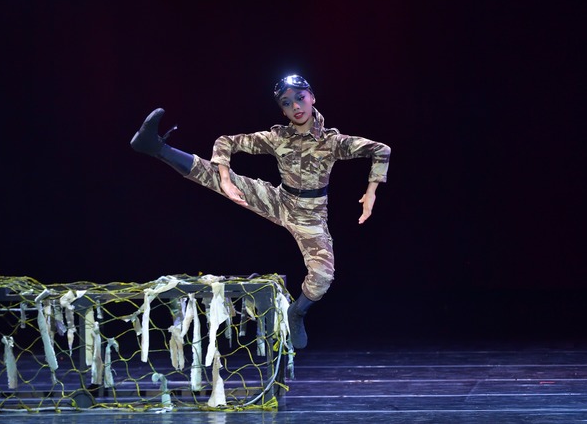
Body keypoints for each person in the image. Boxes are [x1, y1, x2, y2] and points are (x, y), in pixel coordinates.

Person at [130, 74, 391, 349]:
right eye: (286, 103)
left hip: (311, 217)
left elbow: (381, 150)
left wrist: (371, 192)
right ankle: (154, 146)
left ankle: (297, 313)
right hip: (280, 201)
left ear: (312, 97)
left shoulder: (331, 142)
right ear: (283, 111)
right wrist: (226, 180)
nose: (295, 106)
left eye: (300, 98)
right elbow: (226, 141)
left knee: (323, 276)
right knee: (214, 176)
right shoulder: (277, 138)